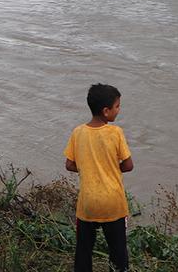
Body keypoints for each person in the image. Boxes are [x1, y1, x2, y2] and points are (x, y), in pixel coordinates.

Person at [64, 83, 134, 272]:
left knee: (84, 250)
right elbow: (128, 165)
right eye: (117, 106)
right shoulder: (115, 133)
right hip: (113, 202)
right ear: (106, 111)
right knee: (118, 251)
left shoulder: (78, 132)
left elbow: (69, 164)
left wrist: (88, 167)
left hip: (88, 204)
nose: (119, 110)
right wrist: (110, 166)